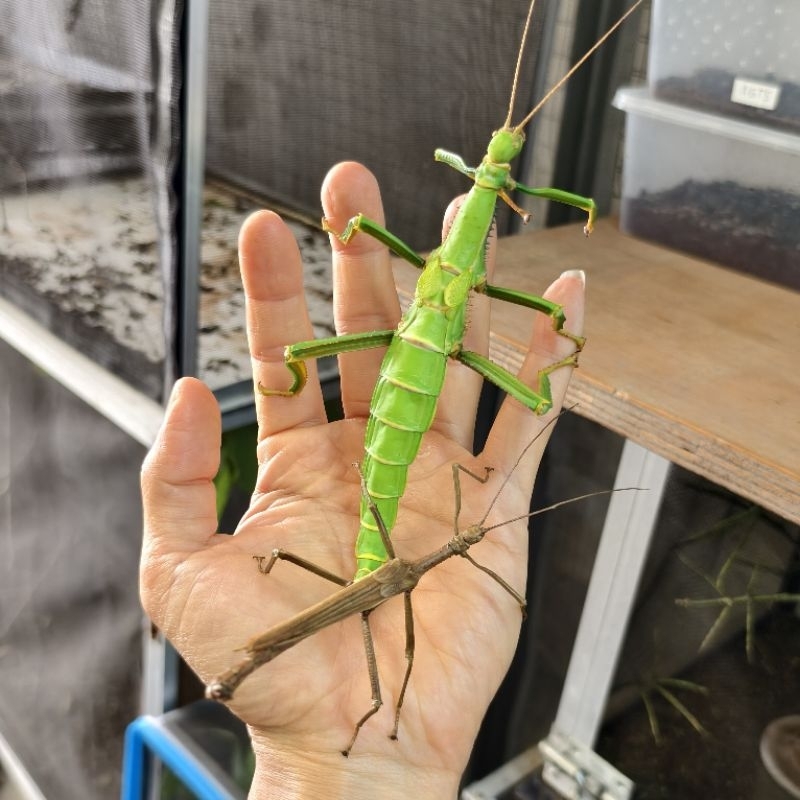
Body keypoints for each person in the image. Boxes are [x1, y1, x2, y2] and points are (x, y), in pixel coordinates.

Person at [140, 161, 585, 799]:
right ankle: (373, 717)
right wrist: (356, 769)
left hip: (372, 543)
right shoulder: (439, 556)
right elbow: (469, 539)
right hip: (365, 553)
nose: (467, 547)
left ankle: (371, 723)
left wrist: (362, 772)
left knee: (381, 666)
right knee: (386, 673)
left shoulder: (422, 548)